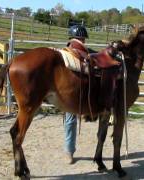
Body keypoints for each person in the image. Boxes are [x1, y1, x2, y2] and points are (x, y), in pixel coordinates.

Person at [64, 25, 89, 164]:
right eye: (82, 39)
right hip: (73, 93)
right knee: (70, 119)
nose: (83, 41)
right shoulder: (75, 55)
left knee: (70, 120)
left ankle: (69, 151)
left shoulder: (66, 53)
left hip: (69, 92)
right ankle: (69, 150)